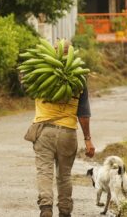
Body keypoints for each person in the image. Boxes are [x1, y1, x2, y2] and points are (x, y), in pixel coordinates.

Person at [32, 77, 95, 217]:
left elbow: (26, 88)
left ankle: (46, 208)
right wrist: (87, 139)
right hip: (68, 133)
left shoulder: (40, 73)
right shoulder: (78, 77)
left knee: (44, 172)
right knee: (64, 175)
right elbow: (83, 113)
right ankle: (65, 211)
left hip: (44, 130)